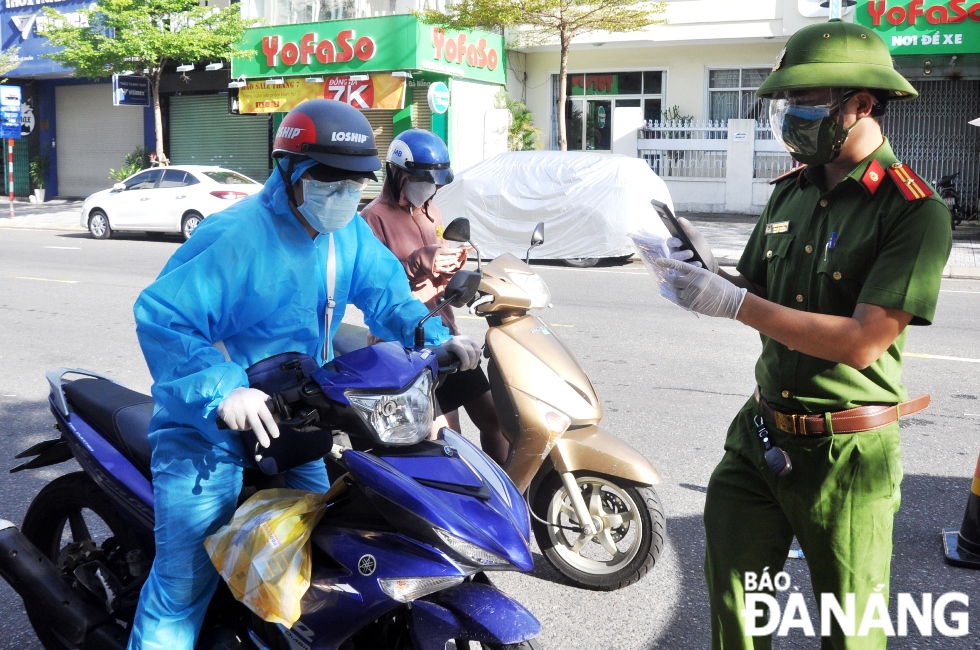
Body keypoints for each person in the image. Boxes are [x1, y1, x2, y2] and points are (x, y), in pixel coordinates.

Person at [128, 100, 481, 649]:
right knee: (182, 590)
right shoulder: (237, 237)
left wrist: (434, 338)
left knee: (320, 561)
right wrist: (224, 390)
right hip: (209, 436)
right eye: (327, 179)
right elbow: (164, 317)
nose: (341, 193)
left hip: (295, 423)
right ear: (289, 171)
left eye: (353, 182)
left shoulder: (346, 235)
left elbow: (386, 295)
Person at [654, 20, 952, 650]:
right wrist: (703, 272)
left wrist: (733, 304)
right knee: (737, 611)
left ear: (862, 105)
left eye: (808, 101)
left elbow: (862, 341)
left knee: (850, 630)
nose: (793, 114)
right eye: (788, 102)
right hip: (760, 436)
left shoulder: (911, 210)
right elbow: (758, 287)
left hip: (845, 455)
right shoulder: (790, 193)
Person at [360, 129, 510, 465]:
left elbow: (436, 276)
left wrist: (449, 267)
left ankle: (510, 498)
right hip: (407, 347)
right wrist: (415, 262)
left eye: (434, 182)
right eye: (421, 179)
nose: (429, 188)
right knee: (447, 439)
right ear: (399, 174)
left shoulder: (432, 213)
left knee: (496, 421)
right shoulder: (373, 219)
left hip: (446, 333)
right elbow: (374, 289)